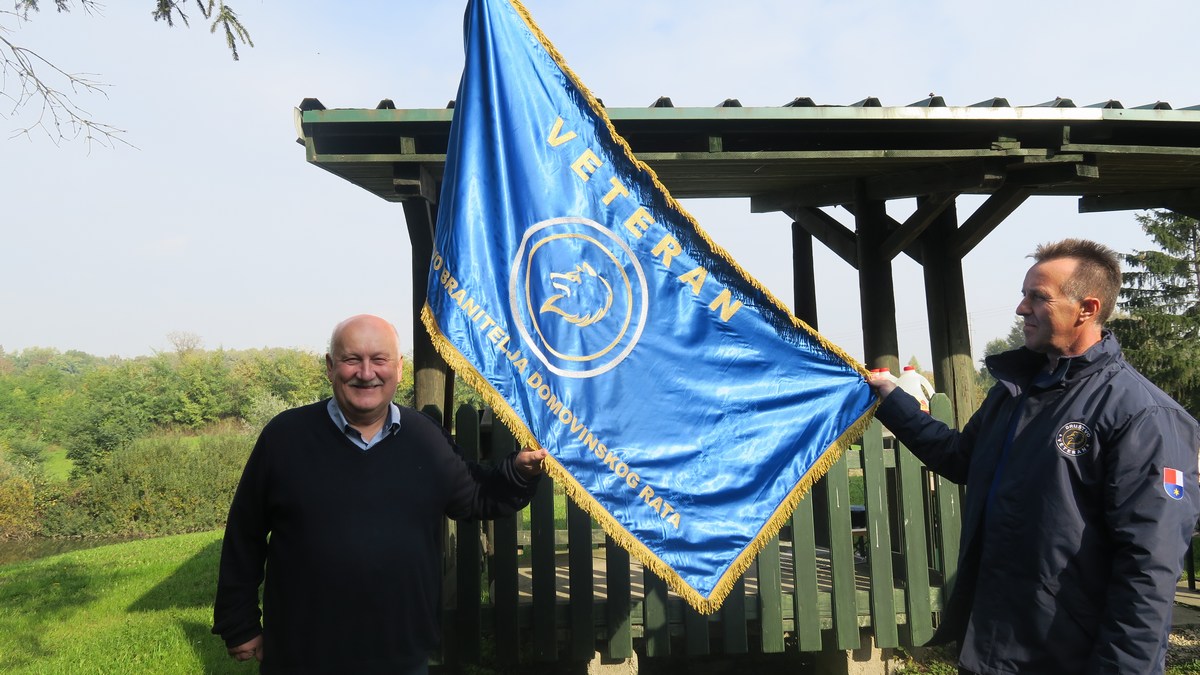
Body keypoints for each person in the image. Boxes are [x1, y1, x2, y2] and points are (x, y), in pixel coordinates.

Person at [868, 239, 1200, 674]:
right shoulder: (1016, 394)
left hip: (1068, 657)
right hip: (994, 650)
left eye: (1037, 297)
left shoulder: (1142, 414)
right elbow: (960, 457)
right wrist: (893, 400)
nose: (1021, 309)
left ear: (1087, 308)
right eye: (1024, 295)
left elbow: (1149, 567)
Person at [212, 314, 547, 674]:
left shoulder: (424, 438)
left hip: (400, 653)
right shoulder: (285, 438)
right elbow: (244, 534)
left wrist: (517, 472)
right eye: (352, 359)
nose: (366, 372)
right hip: (302, 652)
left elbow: (475, 496)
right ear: (330, 366)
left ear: (399, 369)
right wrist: (239, 620)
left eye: (380, 359)